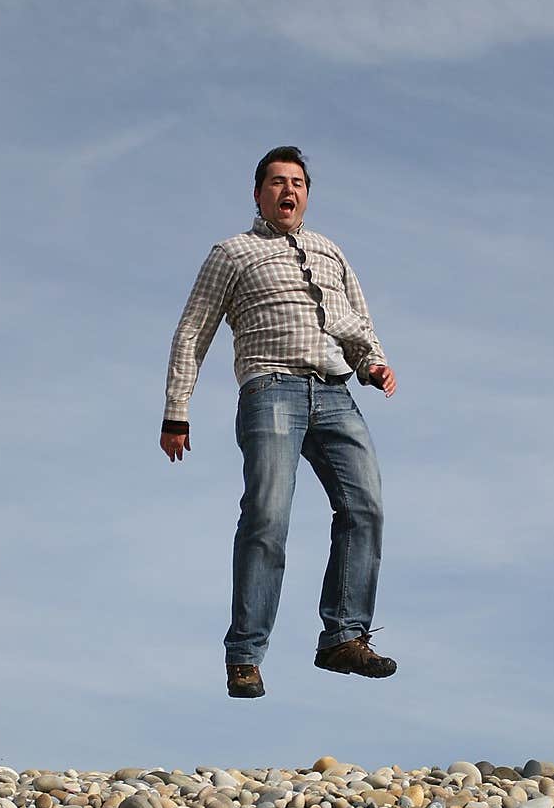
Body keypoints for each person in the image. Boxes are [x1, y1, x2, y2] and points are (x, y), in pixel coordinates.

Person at [160, 145, 397, 699]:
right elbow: (192, 333)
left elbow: (357, 320)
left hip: (335, 391)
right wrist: (177, 410)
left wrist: (372, 362)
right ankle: (245, 654)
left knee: (366, 508)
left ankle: (343, 637)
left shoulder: (329, 251)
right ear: (258, 193)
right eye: (277, 182)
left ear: (306, 194)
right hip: (272, 390)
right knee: (268, 516)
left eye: (297, 183)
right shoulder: (232, 253)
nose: (288, 191)